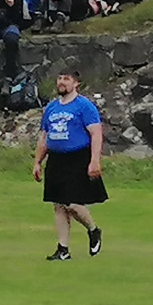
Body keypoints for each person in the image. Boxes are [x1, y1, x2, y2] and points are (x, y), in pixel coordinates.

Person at [34, 71, 107, 261]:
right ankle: (63, 249)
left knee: (72, 203)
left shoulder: (84, 106)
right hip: (56, 158)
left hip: (77, 157)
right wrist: (37, 162)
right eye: (59, 78)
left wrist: (95, 160)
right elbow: (44, 136)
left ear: (76, 83)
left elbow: (96, 133)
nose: (61, 82)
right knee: (58, 205)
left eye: (66, 79)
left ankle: (93, 229)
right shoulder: (51, 108)